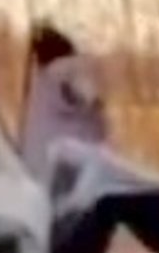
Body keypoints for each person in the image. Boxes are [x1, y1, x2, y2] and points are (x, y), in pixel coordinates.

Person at [18, 22, 109, 182]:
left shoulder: (43, 81)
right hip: (75, 162)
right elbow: (90, 95)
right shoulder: (71, 68)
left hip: (39, 165)